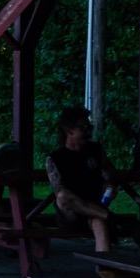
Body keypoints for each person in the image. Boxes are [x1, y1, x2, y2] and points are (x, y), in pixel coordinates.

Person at [45, 106, 116, 254]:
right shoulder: (55, 158)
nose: (88, 131)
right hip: (71, 216)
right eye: (83, 128)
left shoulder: (95, 150)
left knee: (99, 223)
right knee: (63, 196)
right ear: (68, 130)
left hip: (95, 209)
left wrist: (109, 183)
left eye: (89, 127)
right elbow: (60, 193)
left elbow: (109, 172)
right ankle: (112, 217)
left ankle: (104, 271)